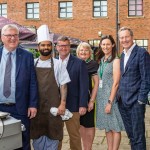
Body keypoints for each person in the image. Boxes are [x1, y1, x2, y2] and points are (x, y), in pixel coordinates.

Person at [30, 25, 70, 150]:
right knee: (37, 135)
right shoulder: (32, 63)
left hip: (53, 107)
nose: (46, 47)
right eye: (43, 45)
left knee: (53, 134)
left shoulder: (58, 64)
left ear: (51, 47)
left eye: (48, 45)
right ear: (38, 47)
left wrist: (62, 104)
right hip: (36, 107)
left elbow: (63, 85)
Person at [0, 24, 38, 150]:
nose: (13, 38)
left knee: (23, 141)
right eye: (9, 35)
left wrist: (32, 104)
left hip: (20, 107)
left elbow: (33, 82)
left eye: (15, 35)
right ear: (2, 38)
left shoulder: (27, 56)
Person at [117, 26, 150, 150]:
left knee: (138, 136)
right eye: (121, 38)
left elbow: (146, 78)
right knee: (131, 136)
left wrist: (141, 100)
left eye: (126, 37)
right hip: (123, 102)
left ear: (132, 37)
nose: (124, 40)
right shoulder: (123, 55)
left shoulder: (142, 53)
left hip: (136, 102)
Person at [56, 36, 89, 150]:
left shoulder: (79, 63)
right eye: (60, 45)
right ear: (57, 47)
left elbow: (84, 86)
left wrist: (83, 104)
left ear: (69, 47)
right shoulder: (53, 63)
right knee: (57, 135)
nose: (63, 48)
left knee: (74, 135)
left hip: (73, 106)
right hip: (56, 106)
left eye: (66, 45)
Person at [96, 35, 125, 150]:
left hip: (110, 98)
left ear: (113, 45)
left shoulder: (116, 60)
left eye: (108, 44)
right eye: (103, 44)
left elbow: (116, 83)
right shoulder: (102, 60)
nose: (105, 46)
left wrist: (110, 101)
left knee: (115, 127)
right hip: (101, 97)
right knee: (107, 127)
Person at [76, 42, 99, 150]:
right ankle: (84, 147)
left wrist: (91, 101)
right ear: (77, 52)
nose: (83, 52)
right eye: (81, 50)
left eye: (86, 50)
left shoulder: (93, 64)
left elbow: (96, 84)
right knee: (81, 124)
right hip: (77, 101)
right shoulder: (75, 63)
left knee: (89, 124)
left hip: (88, 100)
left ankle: (88, 148)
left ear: (90, 53)